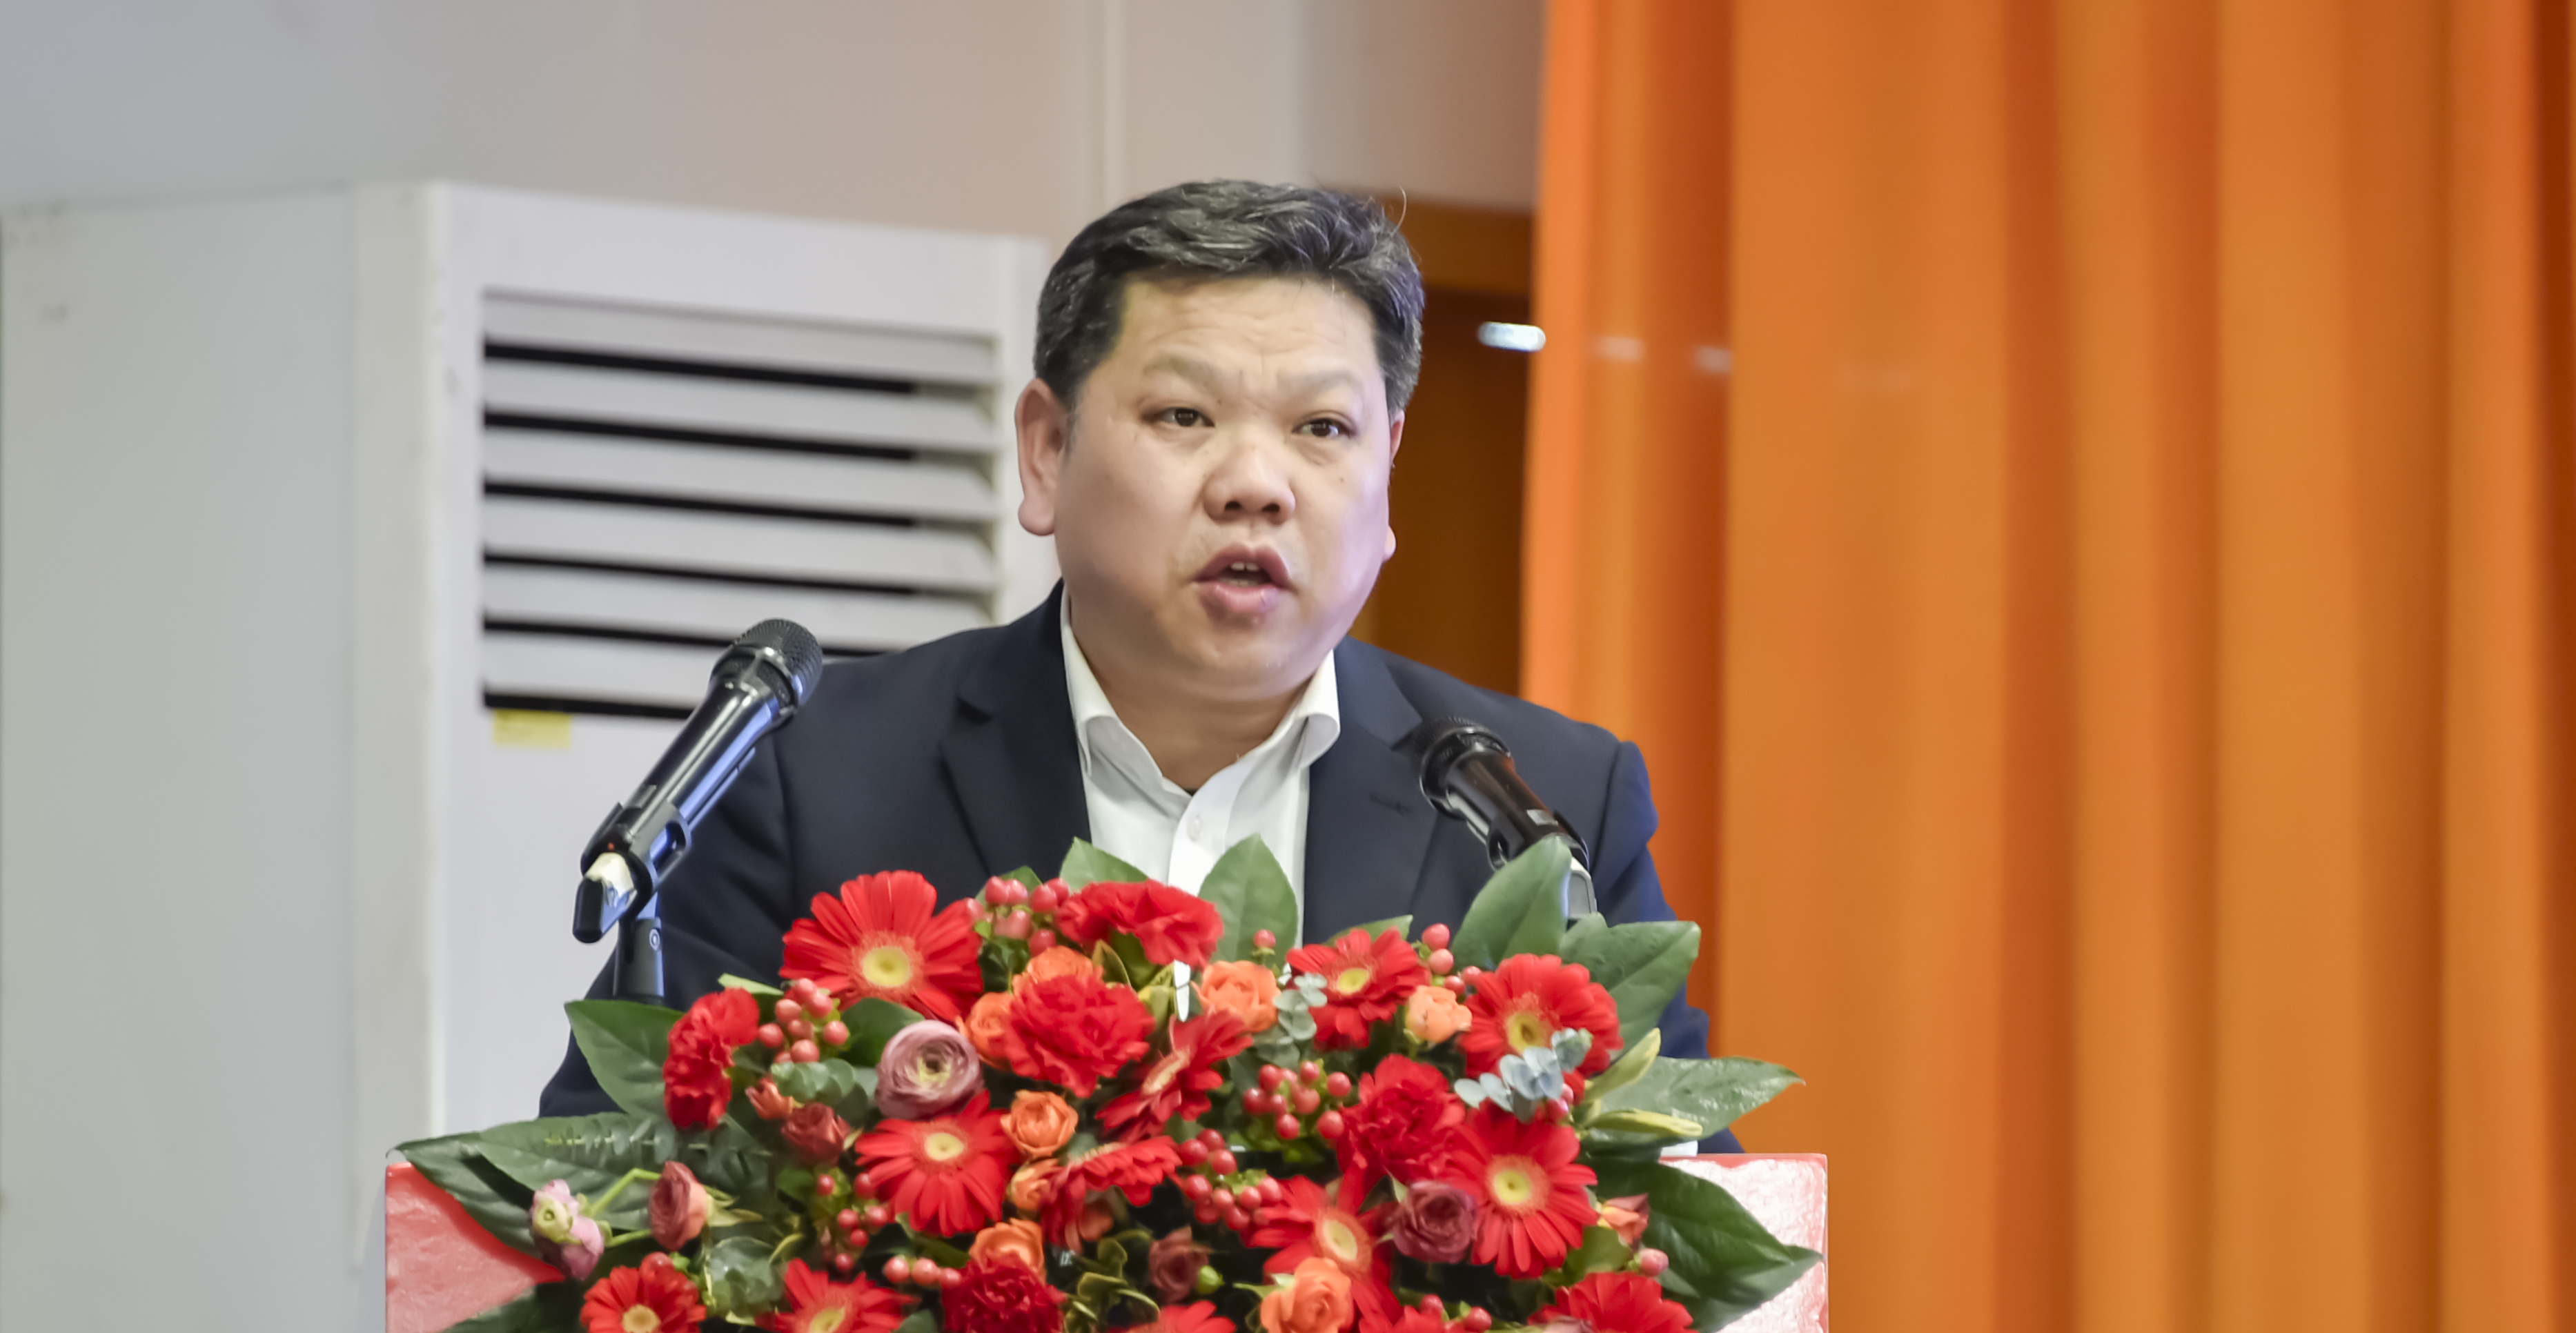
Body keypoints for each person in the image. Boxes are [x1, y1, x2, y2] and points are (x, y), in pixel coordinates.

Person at [539, 179, 1735, 1151]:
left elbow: (1691, 1225)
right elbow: (613, 1180)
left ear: (1387, 471)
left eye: (1322, 429)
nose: (1255, 484)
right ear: (1046, 451)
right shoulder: (813, 772)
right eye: (1184, 418)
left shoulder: (1538, 806)